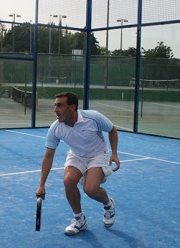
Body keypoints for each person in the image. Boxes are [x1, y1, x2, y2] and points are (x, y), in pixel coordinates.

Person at [35, 92, 120, 235]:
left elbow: (112, 130)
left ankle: (108, 205)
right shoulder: (56, 128)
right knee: (68, 181)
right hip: (76, 155)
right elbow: (48, 156)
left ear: (72, 107)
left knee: (90, 189)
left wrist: (115, 153)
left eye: (60, 106)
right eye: (55, 105)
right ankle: (79, 220)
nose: (55, 109)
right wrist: (41, 184)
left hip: (98, 155)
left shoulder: (93, 117)